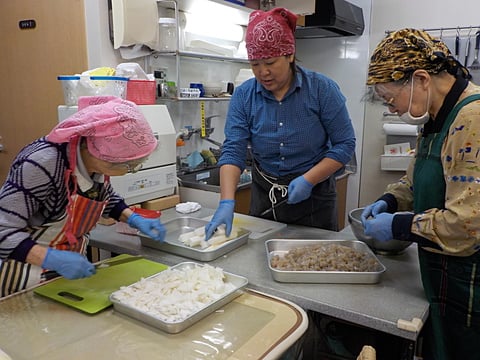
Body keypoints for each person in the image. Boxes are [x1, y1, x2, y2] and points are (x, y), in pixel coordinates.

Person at [362, 28, 480, 360]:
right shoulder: (434, 120)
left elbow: (468, 224)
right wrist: (391, 200)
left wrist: (399, 226)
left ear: (422, 80)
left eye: (391, 98)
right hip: (443, 272)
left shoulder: (472, 119)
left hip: (470, 281)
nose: (394, 109)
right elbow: (415, 182)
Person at [205, 7, 356, 240]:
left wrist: (309, 179)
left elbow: (345, 145)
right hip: (265, 194)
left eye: (270, 62)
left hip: (315, 196)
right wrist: (226, 201)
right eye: (255, 64)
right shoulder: (244, 96)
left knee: (316, 263)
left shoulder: (322, 89)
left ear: (290, 55)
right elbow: (233, 150)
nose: (263, 72)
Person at [0, 95, 166, 297]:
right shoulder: (41, 165)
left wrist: (131, 217)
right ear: (94, 150)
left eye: (131, 166)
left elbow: (101, 194)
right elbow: (3, 228)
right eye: (125, 166)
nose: (126, 171)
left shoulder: (89, 160)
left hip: (65, 275)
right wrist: (51, 258)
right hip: (23, 274)